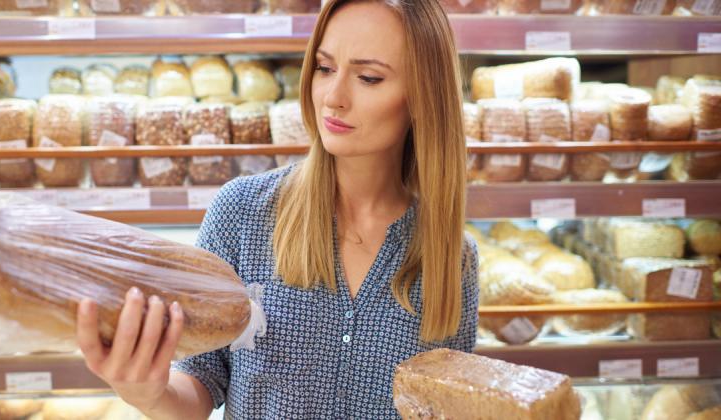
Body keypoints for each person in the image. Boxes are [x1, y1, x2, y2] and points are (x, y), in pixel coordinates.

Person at [76, 0, 478, 418]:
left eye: (368, 77)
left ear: (422, 97)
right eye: (324, 68)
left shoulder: (452, 257)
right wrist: (149, 392)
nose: (333, 97)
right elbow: (200, 379)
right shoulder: (243, 213)